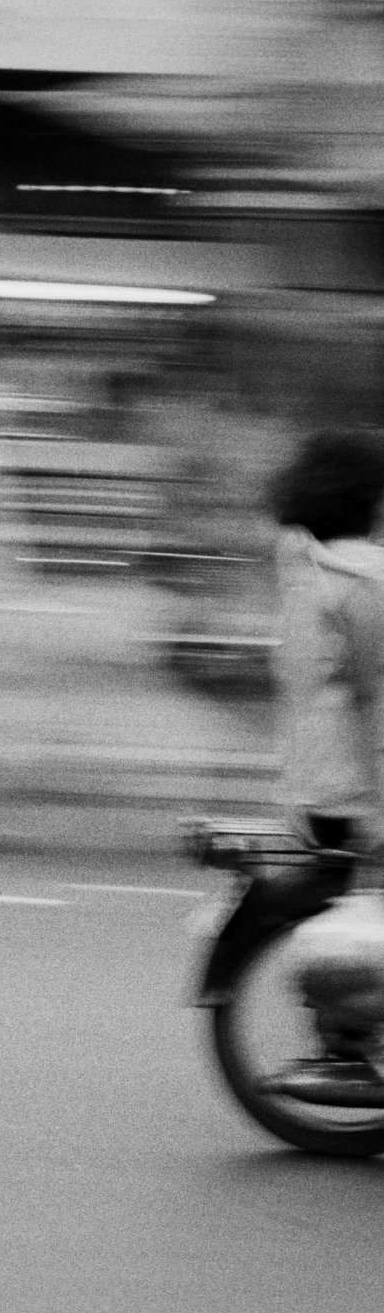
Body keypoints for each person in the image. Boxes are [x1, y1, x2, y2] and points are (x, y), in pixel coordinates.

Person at [263, 429, 384, 1104]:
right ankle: (347, 1054)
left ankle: (344, 1045)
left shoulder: (305, 573)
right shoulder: (361, 579)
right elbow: (372, 696)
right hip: (355, 783)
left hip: (314, 782)